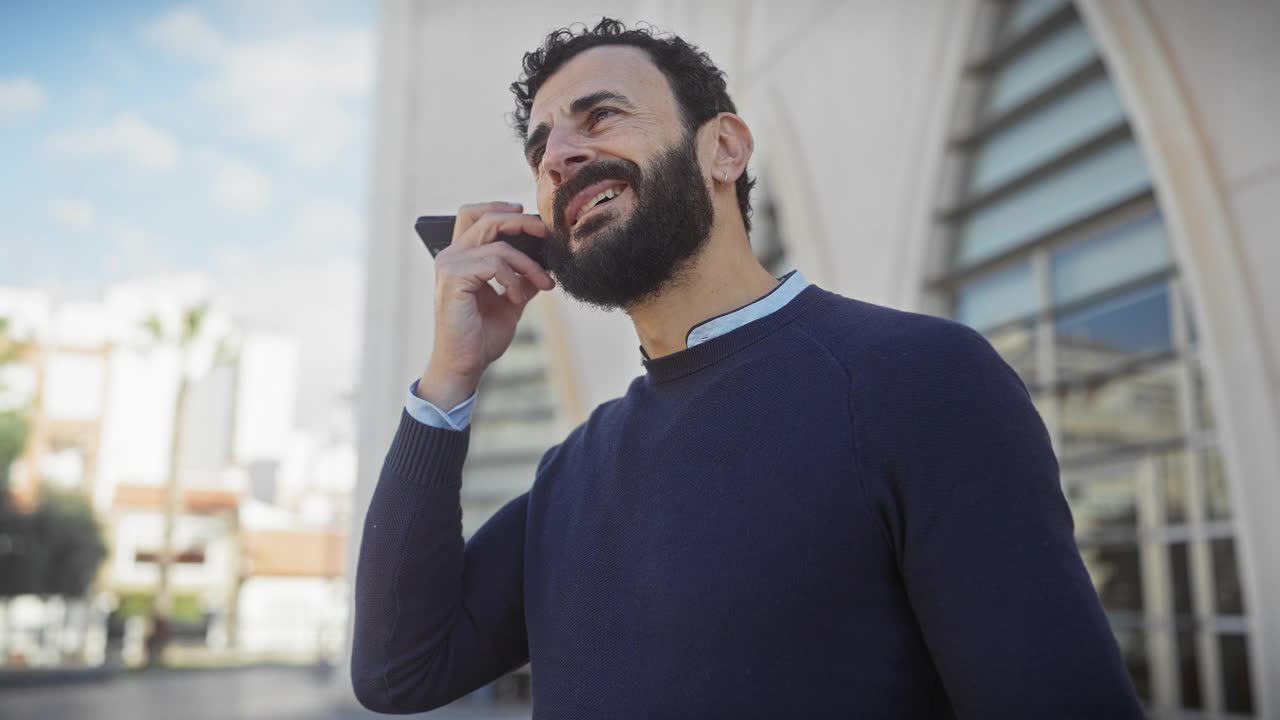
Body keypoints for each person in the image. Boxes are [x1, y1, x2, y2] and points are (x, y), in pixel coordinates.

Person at [351, 17, 1144, 719]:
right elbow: (399, 670)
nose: (559, 155)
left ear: (723, 148)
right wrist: (449, 379)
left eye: (602, 115)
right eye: (541, 146)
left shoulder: (922, 381)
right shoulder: (572, 473)